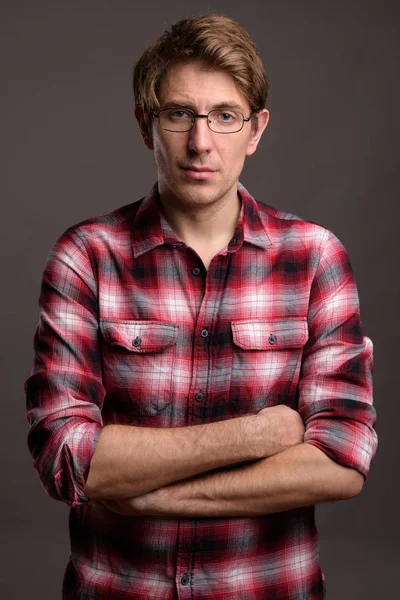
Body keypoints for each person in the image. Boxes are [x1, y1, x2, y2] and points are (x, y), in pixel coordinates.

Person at [25, 13, 377, 600]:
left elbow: (342, 459)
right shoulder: (85, 257)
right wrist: (259, 434)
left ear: (256, 129)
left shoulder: (316, 257)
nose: (201, 141)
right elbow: (66, 455)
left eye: (225, 115)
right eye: (179, 113)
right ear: (146, 124)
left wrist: (144, 493)